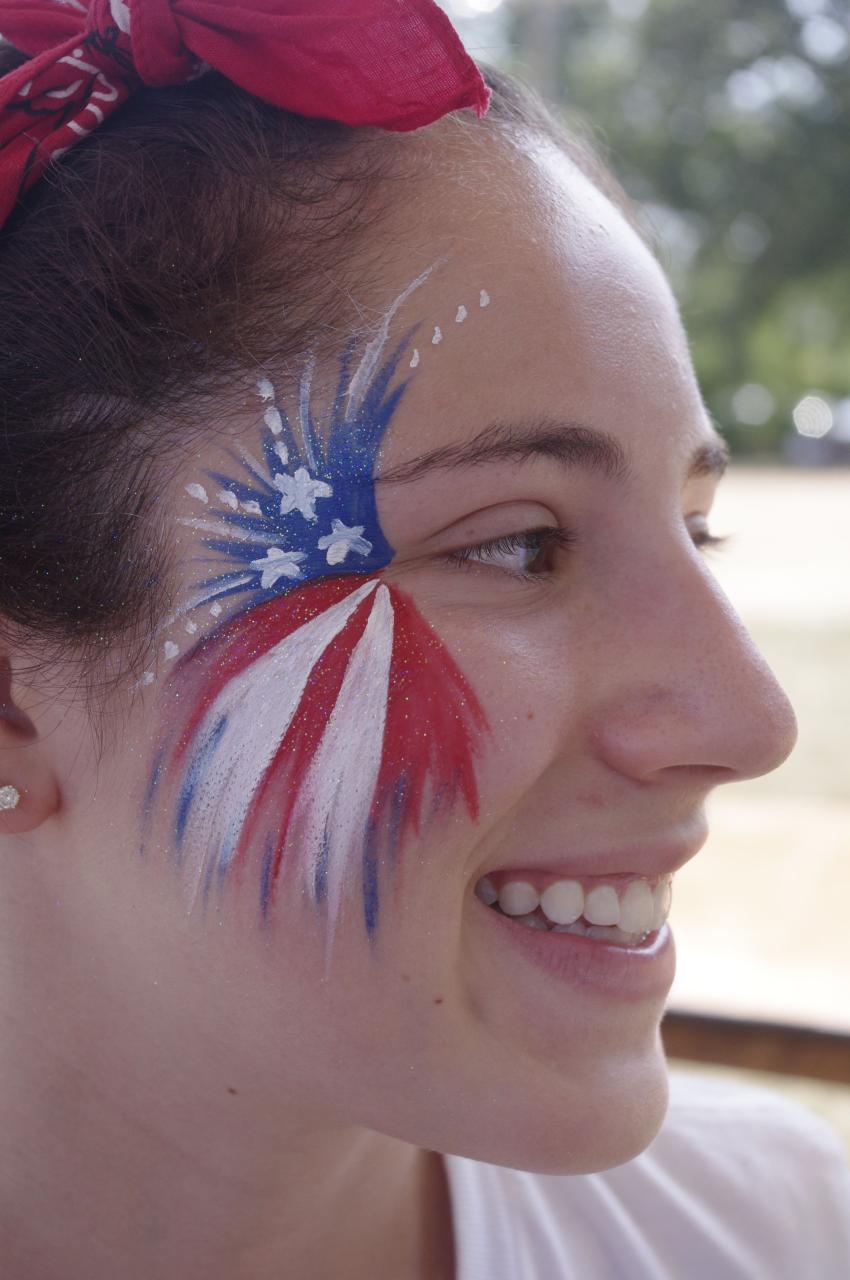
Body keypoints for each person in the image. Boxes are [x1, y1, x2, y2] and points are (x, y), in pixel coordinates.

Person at [0, 2, 848, 1277]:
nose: (750, 722)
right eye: (515, 545)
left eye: (696, 527)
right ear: (14, 697)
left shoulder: (781, 1234)